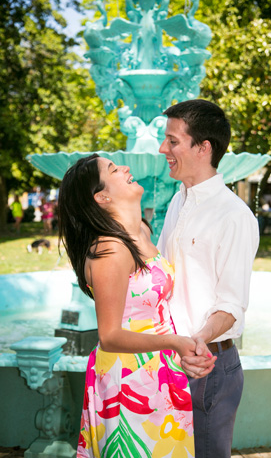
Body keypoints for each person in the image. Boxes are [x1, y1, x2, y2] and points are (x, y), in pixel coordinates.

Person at [57, 154, 203, 456]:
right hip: (128, 378)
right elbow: (109, 336)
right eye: (113, 169)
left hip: (160, 369)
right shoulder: (109, 249)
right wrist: (174, 341)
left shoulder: (143, 233)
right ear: (102, 196)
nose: (125, 168)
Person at [157, 99, 259, 458]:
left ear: (203, 148)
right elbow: (160, 275)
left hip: (208, 368)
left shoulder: (234, 216)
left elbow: (232, 306)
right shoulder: (177, 201)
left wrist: (195, 341)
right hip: (171, 362)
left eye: (172, 141)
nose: (162, 149)